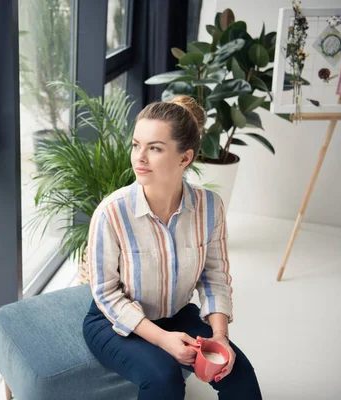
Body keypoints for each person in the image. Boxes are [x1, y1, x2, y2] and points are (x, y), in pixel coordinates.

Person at [82, 95, 262, 399]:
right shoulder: (112, 212)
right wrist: (163, 340)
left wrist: (220, 337)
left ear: (184, 158)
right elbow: (105, 293)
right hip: (112, 321)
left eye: (154, 148)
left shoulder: (209, 207)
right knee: (164, 380)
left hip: (176, 313)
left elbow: (214, 277)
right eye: (136, 145)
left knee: (239, 374)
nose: (139, 157)